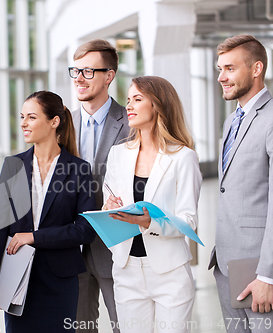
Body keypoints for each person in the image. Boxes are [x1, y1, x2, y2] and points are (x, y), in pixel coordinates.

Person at [0, 91, 97, 332]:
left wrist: (34, 237)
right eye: (22, 116)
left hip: (60, 281)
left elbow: (85, 231)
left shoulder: (79, 170)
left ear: (54, 121)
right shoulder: (13, 166)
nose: (23, 123)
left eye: (31, 117)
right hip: (15, 277)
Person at [103, 76, 202, 333]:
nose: (129, 106)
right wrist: (108, 207)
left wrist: (150, 223)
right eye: (128, 100)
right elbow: (109, 202)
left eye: (138, 99)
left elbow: (189, 221)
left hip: (170, 272)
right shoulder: (117, 154)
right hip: (127, 270)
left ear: (158, 106)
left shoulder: (183, 158)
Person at [209, 34, 273, 332]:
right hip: (226, 264)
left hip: (258, 268)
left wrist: (268, 275)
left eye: (230, 68)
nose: (221, 77)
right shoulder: (231, 120)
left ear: (256, 69)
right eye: (219, 69)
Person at [69, 39, 130, 333]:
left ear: (109, 75)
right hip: (70, 247)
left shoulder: (130, 123)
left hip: (116, 246)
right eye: (76, 71)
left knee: (125, 325)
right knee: (79, 328)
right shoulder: (63, 123)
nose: (79, 78)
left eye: (88, 71)